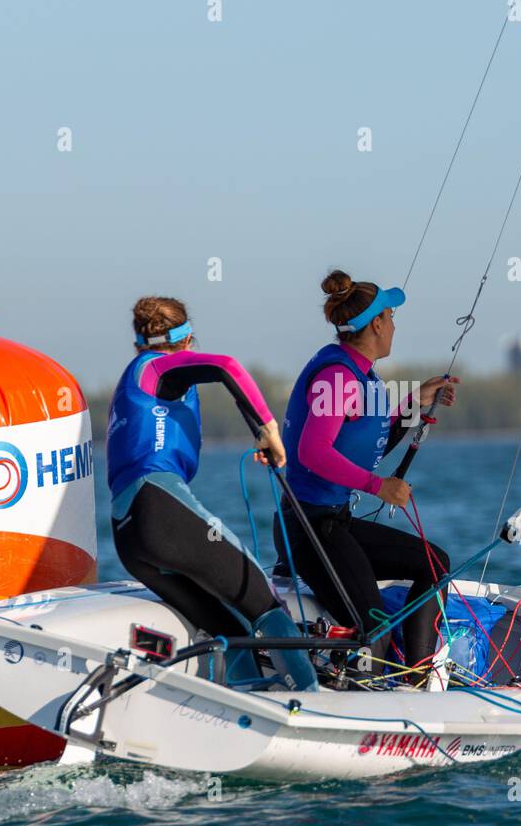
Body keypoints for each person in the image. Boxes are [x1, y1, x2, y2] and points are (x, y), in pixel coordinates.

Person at [108, 296, 317, 690]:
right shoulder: (157, 370)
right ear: (187, 341)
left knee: (227, 625)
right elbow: (226, 367)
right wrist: (270, 430)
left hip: (128, 537)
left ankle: (242, 702)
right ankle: (310, 698)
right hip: (158, 508)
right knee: (265, 604)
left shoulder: (132, 378)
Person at [277, 270, 458, 686]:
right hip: (307, 530)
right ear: (376, 323)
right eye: (391, 316)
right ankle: (372, 698)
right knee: (373, 622)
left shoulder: (361, 375)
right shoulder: (339, 376)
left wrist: (416, 404)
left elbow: (370, 440)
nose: (395, 325)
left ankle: (415, 680)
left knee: (434, 563)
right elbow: (312, 452)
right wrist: (380, 487)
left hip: (334, 522)